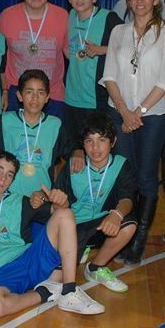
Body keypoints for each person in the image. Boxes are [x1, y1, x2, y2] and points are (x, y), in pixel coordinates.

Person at [0, 151, 105, 317]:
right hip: (0, 271)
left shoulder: (21, 201)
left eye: (9, 174)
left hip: (30, 259)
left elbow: (57, 213)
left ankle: (69, 290)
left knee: (65, 214)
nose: (3, 178)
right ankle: (45, 292)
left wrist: (62, 202)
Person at [100, 0, 165, 264]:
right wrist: (124, 111)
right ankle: (124, 233)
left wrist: (139, 112)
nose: (139, 1)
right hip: (120, 113)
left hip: (153, 116)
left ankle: (138, 241)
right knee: (126, 176)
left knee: (146, 177)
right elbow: (109, 75)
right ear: (128, 1)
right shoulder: (119, 32)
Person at [55, 112, 136, 292]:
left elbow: (127, 198)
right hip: (72, 228)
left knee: (128, 224)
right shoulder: (74, 164)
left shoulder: (121, 165)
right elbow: (57, 207)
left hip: (102, 224)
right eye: (89, 141)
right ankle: (81, 247)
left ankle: (95, 268)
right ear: (82, 144)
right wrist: (56, 203)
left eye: (102, 140)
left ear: (113, 142)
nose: (95, 148)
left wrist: (116, 215)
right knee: (56, 279)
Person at [0, 70, 77, 200]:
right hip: (7, 197)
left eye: (40, 93)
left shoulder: (55, 125)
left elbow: (71, 150)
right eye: (29, 92)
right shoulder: (4, 121)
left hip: (40, 198)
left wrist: (78, 152)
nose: (35, 98)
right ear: (19, 96)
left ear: (47, 97)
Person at [0, 0, 69, 119]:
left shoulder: (63, 16)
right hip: (16, 94)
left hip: (53, 94)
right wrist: (3, 90)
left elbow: (71, 54)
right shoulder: (7, 17)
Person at [64, 0, 122, 146]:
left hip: (97, 98)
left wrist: (101, 50)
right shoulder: (70, 16)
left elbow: (129, 47)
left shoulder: (108, 17)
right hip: (72, 97)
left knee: (97, 148)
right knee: (75, 150)